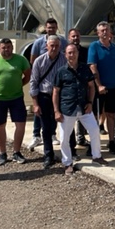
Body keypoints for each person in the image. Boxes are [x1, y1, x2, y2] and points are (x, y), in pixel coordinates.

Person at [54, 44, 109, 174]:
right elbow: (56, 92)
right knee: (64, 138)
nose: (72, 55)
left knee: (94, 130)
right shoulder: (61, 71)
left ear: (78, 53)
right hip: (67, 109)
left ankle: (97, 156)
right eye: (69, 53)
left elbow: (91, 86)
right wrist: (56, 111)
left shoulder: (85, 69)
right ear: (65, 55)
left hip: (84, 108)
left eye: (74, 52)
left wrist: (90, 102)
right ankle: (67, 163)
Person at [0, 37, 31, 166]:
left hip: (17, 98)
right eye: (3, 48)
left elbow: (27, 75)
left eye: (9, 47)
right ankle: (2, 153)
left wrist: (19, 85)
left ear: (12, 48)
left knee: (20, 125)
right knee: (0, 125)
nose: (6, 50)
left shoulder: (21, 60)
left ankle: (17, 152)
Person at [29, 35, 67, 169]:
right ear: (46, 46)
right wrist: (35, 104)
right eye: (52, 46)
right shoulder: (39, 61)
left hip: (61, 96)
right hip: (44, 96)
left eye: (57, 45)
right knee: (45, 127)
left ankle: (68, 153)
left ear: (60, 46)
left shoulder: (64, 59)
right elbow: (33, 82)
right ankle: (48, 155)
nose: (54, 48)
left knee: (61, 124)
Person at [88, 21, 115, 155]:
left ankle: (111, 142)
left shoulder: (114, 48)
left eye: (106, 30)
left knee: (111, 115)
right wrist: (99, 85)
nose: (104, 32)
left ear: (110, 32)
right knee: (96, 117)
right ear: (98, 33)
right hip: (99, 89)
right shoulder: (94, 47)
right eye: (101, 30)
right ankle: (94, 143)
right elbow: (92, 67)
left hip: (113, 87)